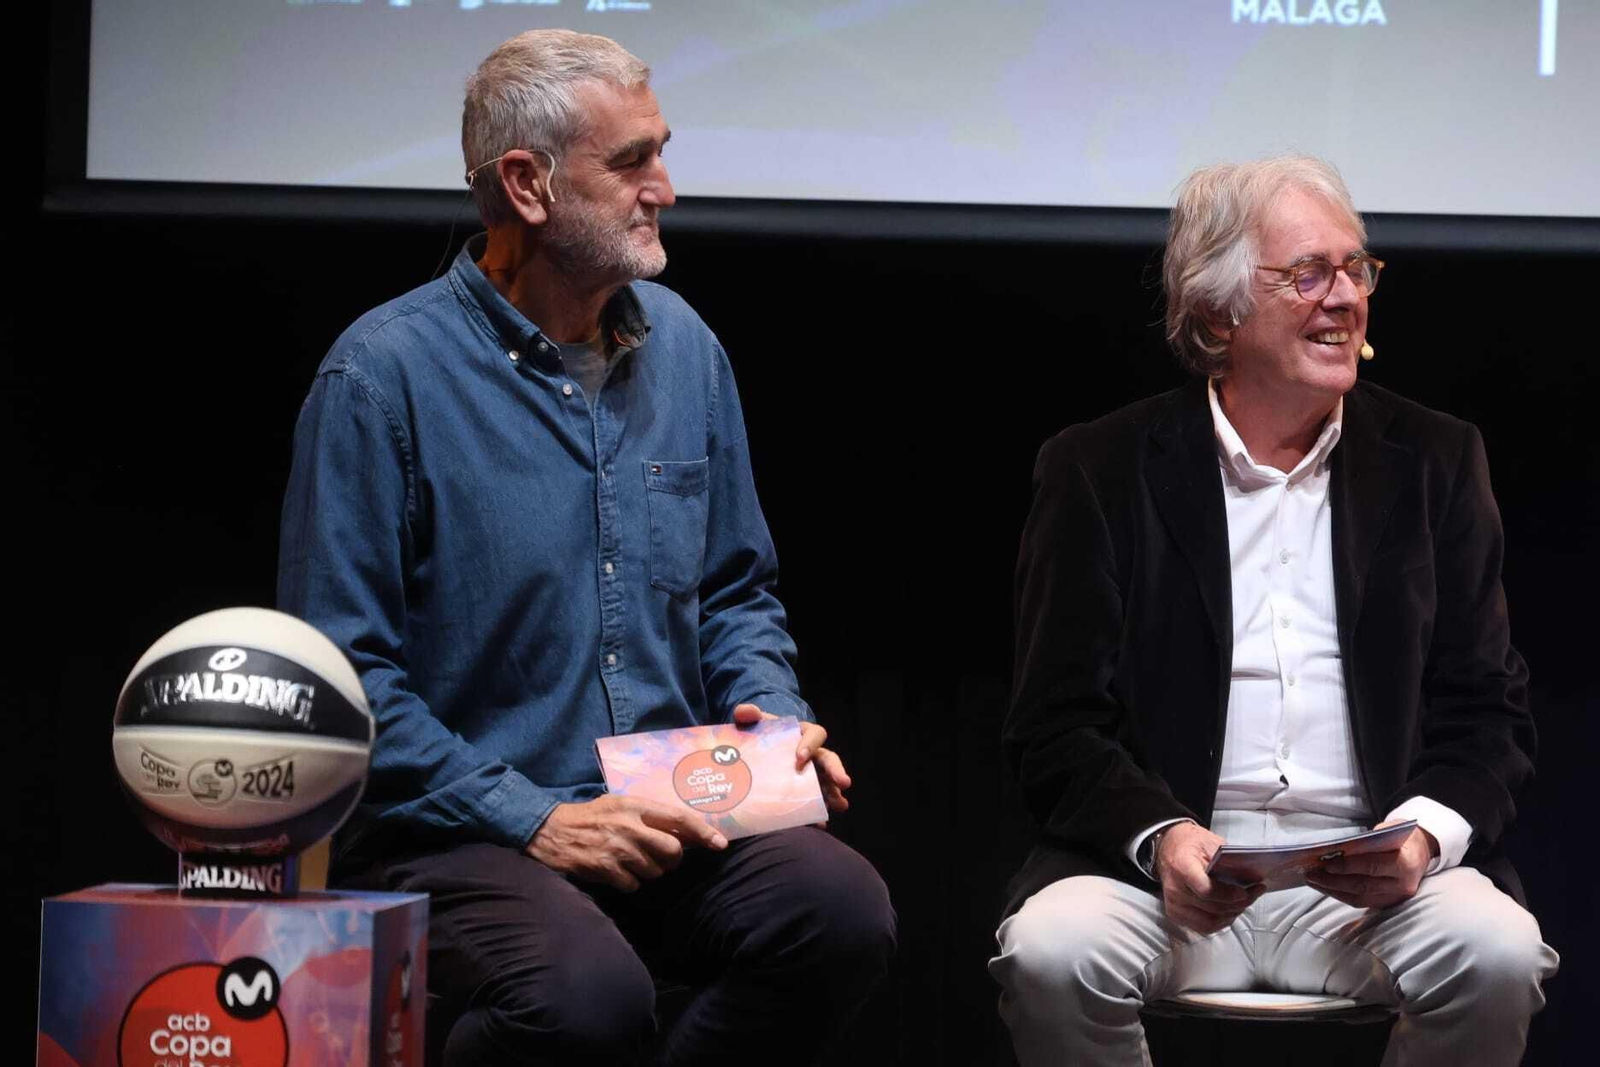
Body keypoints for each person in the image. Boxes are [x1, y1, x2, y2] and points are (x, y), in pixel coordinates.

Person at [277, 29, 893, 1066]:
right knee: (583, 999)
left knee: (837, 912)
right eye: (630, 161)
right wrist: (534, 819)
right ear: (526, 184)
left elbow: (736, 589)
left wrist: (773, 726)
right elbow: (341, 680)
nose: (664, 187)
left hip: (663, 815)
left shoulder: (686, 348)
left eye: (661, 152)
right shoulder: (380, 378)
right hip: (457, 832)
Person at [989, 156, 1557, 1065]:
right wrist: (1163, 837)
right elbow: (1054, 726)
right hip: (1161, 885)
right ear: (1217, 314)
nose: (1344, 297)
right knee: (1053, 952)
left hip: (1377, 896)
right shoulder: (1099, 468)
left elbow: (1489, 714)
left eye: (1356, 269)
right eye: (1308, 275)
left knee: (1497, 952)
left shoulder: (1436, 460)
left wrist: (1420, 838)